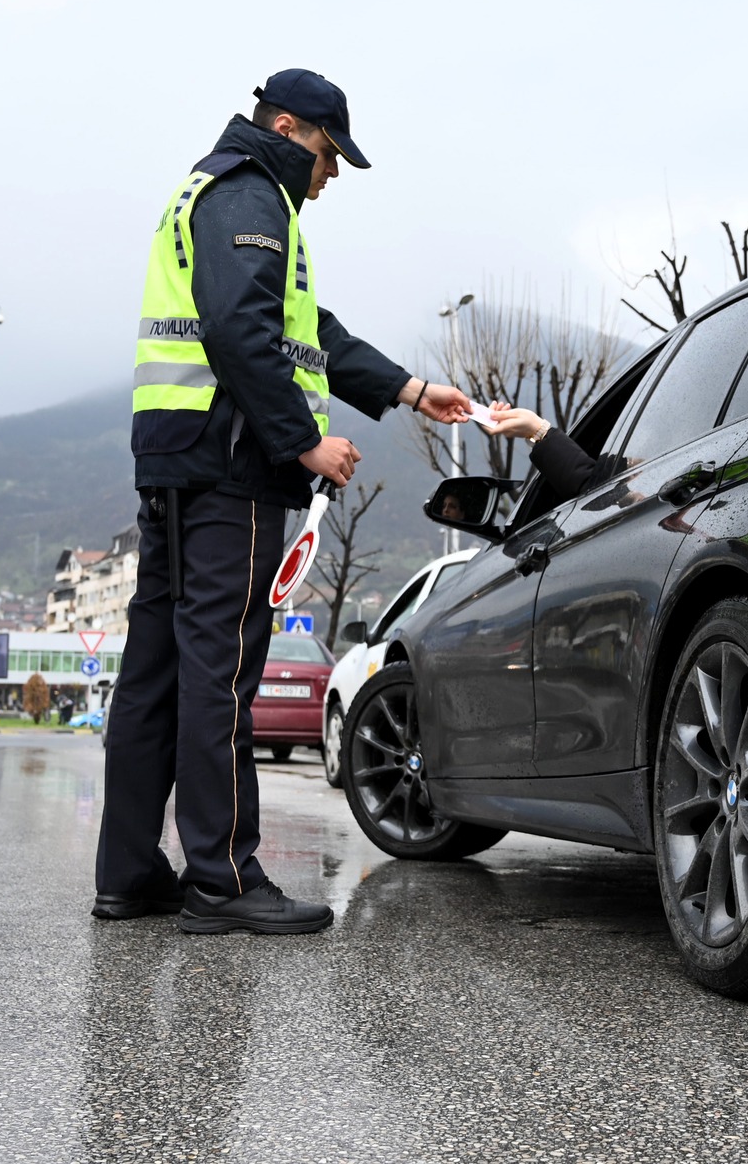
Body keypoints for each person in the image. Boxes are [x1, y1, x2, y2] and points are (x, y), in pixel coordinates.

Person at [95, 69, 474, 934]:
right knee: (220, 675)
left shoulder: (224, 192)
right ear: (290, 127)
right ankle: (222, 879)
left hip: (184, 462)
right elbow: (238, 332)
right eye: (330, 154)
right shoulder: (249, 193)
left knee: (154, 675)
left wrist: (412, 389)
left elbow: (313, 333)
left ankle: (127, 872)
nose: (332, 175)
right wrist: (302, 441)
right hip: (232, 470)